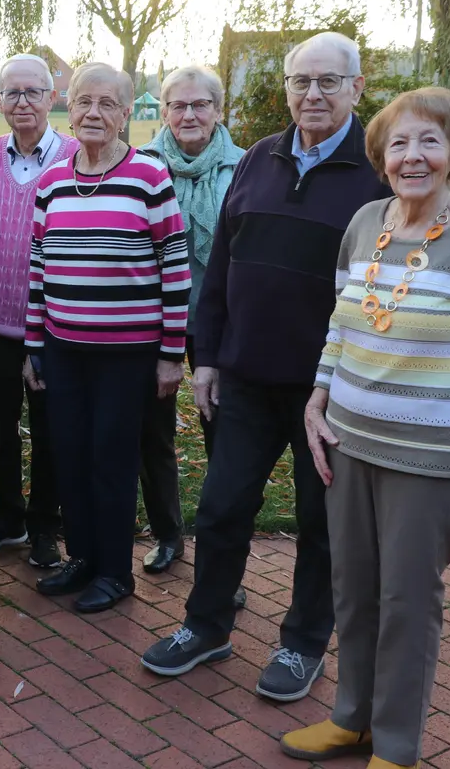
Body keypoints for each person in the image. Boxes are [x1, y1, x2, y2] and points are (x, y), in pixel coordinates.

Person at [280, 87, 450, 769]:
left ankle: (395, 747)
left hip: (428, 459)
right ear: (381, 156)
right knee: (354, 591)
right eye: (398, 144)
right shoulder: (366, 223)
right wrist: (317, 399)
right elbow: (343, 321)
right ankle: (352, 721)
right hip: (348, 444)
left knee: (406, 600)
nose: (412, 157)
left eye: (429, 141)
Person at [141, 32, 391, 702]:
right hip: (245, 378)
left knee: (321, 526)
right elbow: (220, 265)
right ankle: (206, 625)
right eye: (300, 82)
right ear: (286, 89)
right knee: (221, 509)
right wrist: (207, 358)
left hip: (331, 392)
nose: (312, 94)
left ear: (356, 89)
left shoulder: (378, 177)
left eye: (328, 82)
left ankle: (303, 643)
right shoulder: (257, 159)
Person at [22, 62, 189, 615]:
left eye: (107, 104)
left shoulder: (148, 177)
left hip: (128, 353)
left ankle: (115, 571)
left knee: (111, 459)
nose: (94, 113)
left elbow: (175, 268)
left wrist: (171, 356)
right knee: (68, 455)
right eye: (83, 102)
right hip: (63, 349)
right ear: (69, 108)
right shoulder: (51, 182)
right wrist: (33, 345)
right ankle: (83, 558)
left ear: (126, 114)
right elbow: (39, 269)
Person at [0, 53, 78, 570]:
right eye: (12, 93)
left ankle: (44, 528)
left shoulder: (77, 156)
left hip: (53, 327)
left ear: (53, 97)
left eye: (34, 92)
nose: (23, 102)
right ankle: (7, 519)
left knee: (54, 432)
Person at [134, 66, 246, 575]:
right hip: (150, 318)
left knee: (222, 433)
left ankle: (221, 558)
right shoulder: (139, 166)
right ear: (163, 111)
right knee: (151, 433)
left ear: (218, 110)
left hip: (218, 320)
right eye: (177, 105)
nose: (189, 115)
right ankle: (167, 534)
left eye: (200, 105)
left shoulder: (246, 168)